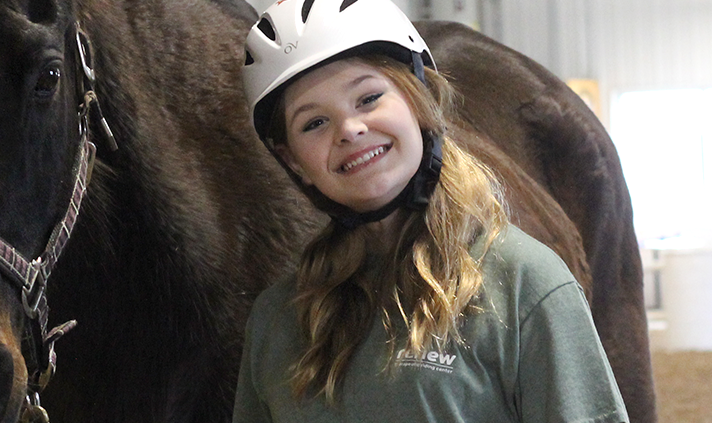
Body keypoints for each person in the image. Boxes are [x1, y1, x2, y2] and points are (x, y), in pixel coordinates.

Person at [232, 0, 629, 422]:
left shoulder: (523, 285)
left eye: (367, 98)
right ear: (293, 161)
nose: (349, 130)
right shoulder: (276, 321)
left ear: (418, 100)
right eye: (314, 123)